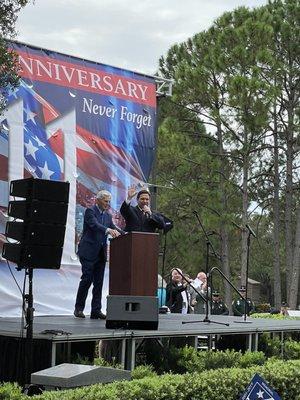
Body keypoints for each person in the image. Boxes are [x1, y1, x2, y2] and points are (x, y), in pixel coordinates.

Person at [74, 190, 121, 319]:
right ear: (98, 200)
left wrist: (126, 233)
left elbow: (114, 227)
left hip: (100, 254)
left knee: (99, 283)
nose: (108, 204)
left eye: (109, 202)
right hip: (88, 252)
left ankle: (96, 310)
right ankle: (78, 308)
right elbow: (94, 225)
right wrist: (108, 230)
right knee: (87, 279)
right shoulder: (90, 211)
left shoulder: (107, 216)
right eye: (106, 201)